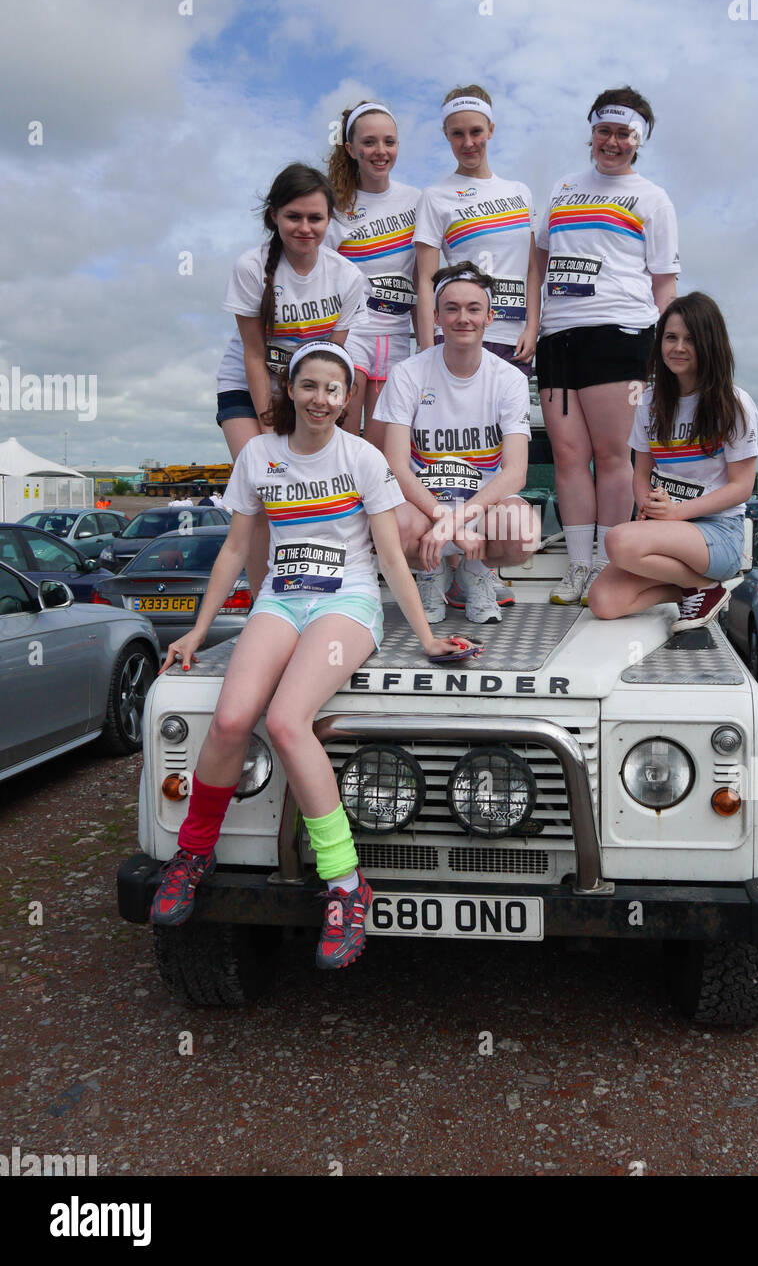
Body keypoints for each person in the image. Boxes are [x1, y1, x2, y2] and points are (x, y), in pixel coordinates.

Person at [151, 341, 471, 971]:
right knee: (230, 720)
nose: (320, 399)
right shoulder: (259, 456)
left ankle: (346, 885)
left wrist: (428, 636)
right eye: (309, 386)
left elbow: (390, 557)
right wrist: (197, 630)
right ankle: (193, 853)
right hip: (280, 600)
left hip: (346, 604)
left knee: (286, 721)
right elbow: (234, 550)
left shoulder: (363, 457)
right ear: (290, 391)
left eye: (332, 389)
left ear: (347, 398)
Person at [535, 86, 681, 607]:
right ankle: (579, 564)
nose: (612, 142)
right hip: (558, 335)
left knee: (612, 455)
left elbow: (664, 283)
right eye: (604, 131)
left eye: (624, 134)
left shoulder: (652, 197)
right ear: (591, 132)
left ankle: (605, 565)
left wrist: (664, 349)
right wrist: (533, 323)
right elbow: (538, 260)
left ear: (639, 141)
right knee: (568, 456)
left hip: (621, 334)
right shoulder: (563, 187)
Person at [413, 85, 540, 611]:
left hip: (510, 341)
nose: (468, 142)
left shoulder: (519, 191)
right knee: (449, 453)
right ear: (446, 136)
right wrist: (428, 348)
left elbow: (532, 267)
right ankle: (440, 570)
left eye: (476, 132)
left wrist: (533, 322)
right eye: (457, 134)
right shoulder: (436, 196)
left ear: (491, 131)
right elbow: (425, 279)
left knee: (493, 457)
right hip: (456, 338)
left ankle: (477, 570)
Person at [215, 162, 365, 596]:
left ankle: (316, 592)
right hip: (248, 386)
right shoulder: (251, 267)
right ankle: (263, 602)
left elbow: (331, 362)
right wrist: (268, 430)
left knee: (309, 497)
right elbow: (254, 354)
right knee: (263, 497)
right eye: (293, 216)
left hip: (307, 390)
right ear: (274, 216)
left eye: (315, 218)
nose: (305, 227)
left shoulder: (347, 276)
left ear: (329, 220)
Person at [375, 262, 539, 626]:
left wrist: (455, 524)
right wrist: (442, 519)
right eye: (451, 308)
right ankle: (431, 573)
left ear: (490, 317)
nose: (463, 318)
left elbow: (515, 472)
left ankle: (473, 572)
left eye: (473, 308)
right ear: (436, 316)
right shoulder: (407, 374)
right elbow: (395, 466)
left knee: (523, 529)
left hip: (481, 509)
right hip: (424, 508)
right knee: (391, 523)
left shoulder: (509, 379)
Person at [587, 293, 758, 633]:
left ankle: (705, 583)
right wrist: (649, 506)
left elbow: (742, 487)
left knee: (618, 541)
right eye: (670, 337)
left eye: (690, 339)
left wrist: (677, 512)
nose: (678, 348)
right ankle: (698, 588)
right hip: (667, 527)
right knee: (603, 601)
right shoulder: (649, 401)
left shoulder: (734, 403)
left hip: (719, 532)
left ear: (710, 343)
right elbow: (641, 473)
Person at [325, 101, 421, 447]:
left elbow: (422, 279)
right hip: (351, 335)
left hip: (396, 338)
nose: (380, 151)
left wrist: (426, 346)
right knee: (343, 440)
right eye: (369, 142)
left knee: (383, 450)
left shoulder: (416, 200)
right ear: (351, 149)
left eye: (389, 142)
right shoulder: (335, 206)